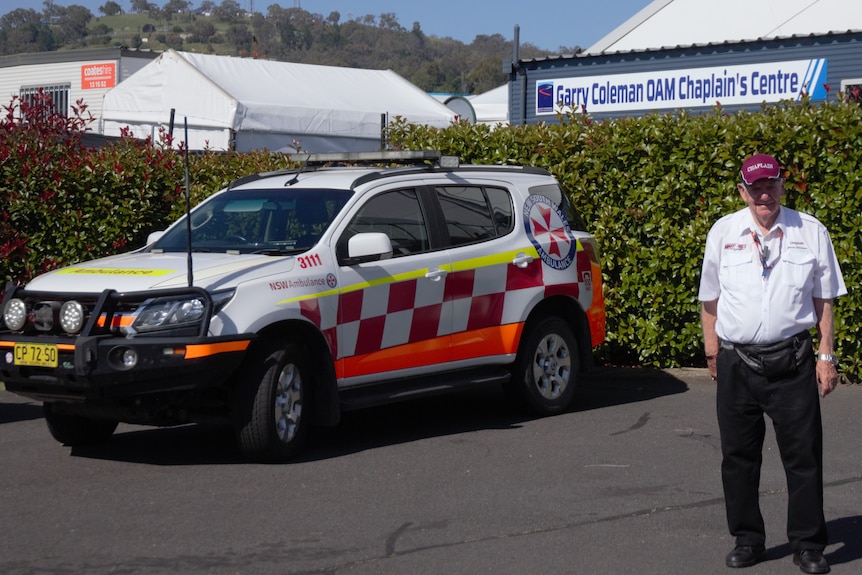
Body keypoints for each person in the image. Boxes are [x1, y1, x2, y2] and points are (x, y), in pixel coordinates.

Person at [698, 153, 846, 574]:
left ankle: (808, 545)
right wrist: (712, 351)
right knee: (738, 458)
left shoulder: (811, 231)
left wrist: (826, 354)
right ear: (743, 191)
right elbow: (710, 298)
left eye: (771, 185)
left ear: (783, 186)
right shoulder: (723, 232)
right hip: (737, 363)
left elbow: (825, 300)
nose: (764, 194)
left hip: (794, 362)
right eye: (755, 187)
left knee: (803, 457)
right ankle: (748, 540)